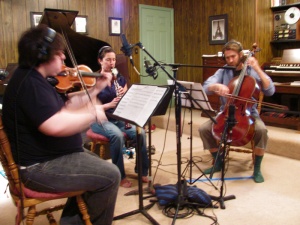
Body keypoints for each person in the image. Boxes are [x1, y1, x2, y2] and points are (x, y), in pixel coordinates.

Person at [2, 25, 120, 225]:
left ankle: (72, 222)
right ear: (43, 55)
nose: (64, 57)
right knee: (111, 175)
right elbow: (55, 125)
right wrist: (93, 113)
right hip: (39, 168)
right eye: (59, 53)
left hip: (53, 157)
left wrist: (96, 89)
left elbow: (67, 104)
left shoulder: (36, 79)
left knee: (96, 166)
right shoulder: (30, 84)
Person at [198, 40, 275, 183]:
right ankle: (218, 162)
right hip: (225, 112)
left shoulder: (251, 70)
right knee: (204, 129)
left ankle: (257, 169)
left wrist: (258, 68)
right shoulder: (224, 70)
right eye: (227, 57)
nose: (230, 60)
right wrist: (215, 86)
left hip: (248, 114)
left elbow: (270, 90)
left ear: (240, 54)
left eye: (233, 56)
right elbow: (205, 87)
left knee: (261, 131)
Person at [90, 46, 149, 188]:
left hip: (119, 117)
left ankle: (142, 171)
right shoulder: (93, 80)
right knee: (117, 136)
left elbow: (126, 95)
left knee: (140, 132)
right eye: (108, 60)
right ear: (100, 61)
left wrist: (126, 95)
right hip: (100, 119)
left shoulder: (119, 77)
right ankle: (120, 175)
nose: (112, 63)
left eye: (114, 60)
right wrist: (109, 105)